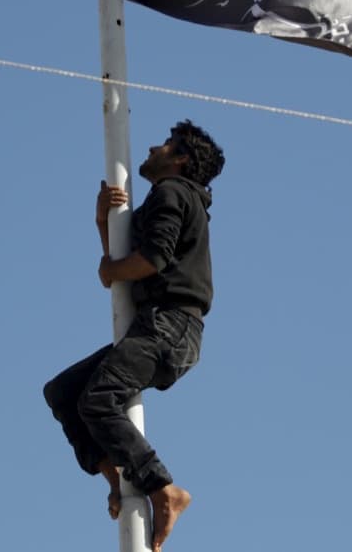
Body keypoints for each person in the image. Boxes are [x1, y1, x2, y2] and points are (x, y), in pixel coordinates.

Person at [43, 120, 225, 552]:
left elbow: (150, 261)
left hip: (170, 325)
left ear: (180, 158)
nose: (151, 147)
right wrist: (103, 220)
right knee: (65, 392)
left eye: (165, 144)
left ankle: (163, 489)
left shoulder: (173, 192)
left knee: (97, 397)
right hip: (161, 326)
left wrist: (109, 270)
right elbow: (125, 260)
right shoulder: (168, 198)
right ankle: (120, 477)